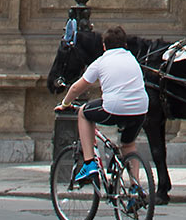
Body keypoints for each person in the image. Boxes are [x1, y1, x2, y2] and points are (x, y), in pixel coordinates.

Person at [55, 26, 149, 183]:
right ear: (125, 45)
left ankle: (89, 162)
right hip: (141, 109)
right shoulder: (132, 58)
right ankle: (135, 187)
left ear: (104, 46)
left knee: (84, 113)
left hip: (114, 108)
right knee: (128, 144)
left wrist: (65, 103)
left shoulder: (101, 61)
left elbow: (77, 87)